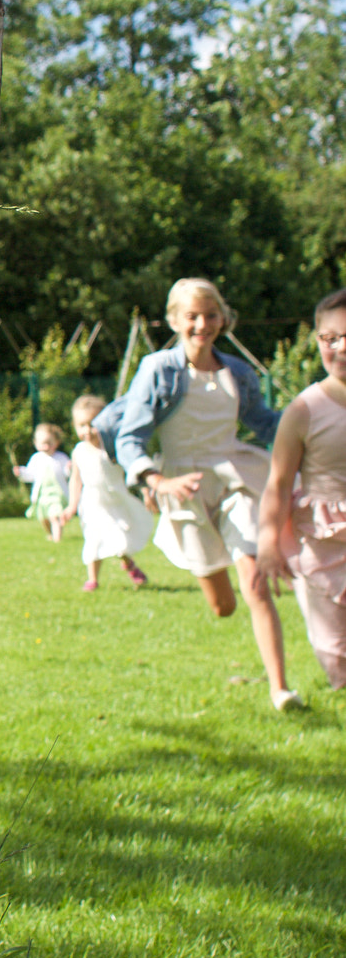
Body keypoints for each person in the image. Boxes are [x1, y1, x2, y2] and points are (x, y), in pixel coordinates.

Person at [116, 276, 301, 712]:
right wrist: (155, 482)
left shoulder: (237, 371)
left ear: (223, 317)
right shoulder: (158, 369)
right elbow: (130, 437)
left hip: (237, 476)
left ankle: (280, 689)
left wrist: (313, 421)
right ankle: (222, 597)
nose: (203, 324)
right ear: (175, 321)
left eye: (211, 314)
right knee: (224, 606)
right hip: (183, 487)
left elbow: (266, 423)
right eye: (193, 316)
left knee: (256, 583)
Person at [257, 288, 346, 690]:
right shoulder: (304, 410)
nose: (341, 347)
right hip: (322, 539)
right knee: (334, 645)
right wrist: (267, 543)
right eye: (331, 338)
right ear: (319, 342)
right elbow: (278, 481)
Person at [59, 393, 151, 592]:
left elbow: (132, 470)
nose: (87, 430)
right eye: (81, 425)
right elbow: (76, 479)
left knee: (120, 540)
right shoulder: (79, 451)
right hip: (93, 503)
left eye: (93, 424)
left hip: (116, 500)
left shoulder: (114, 448)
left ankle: (128, 563)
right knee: (94, 540)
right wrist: (71, 505)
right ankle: (92, 579)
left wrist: (145, 491)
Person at [13, 423, 70, 542]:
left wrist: (69, 468)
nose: (46, 446)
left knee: (55, 516)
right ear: (36, 443)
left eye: (49, 443)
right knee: (44, 518)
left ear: (56, 442)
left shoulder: (61, 458)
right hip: (42, 495)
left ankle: (57, 540)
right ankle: (50, 534)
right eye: (42, 443)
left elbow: (67, 474)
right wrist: (21, 473)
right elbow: (30, 475)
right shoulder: (36, 459)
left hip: (57, 495)